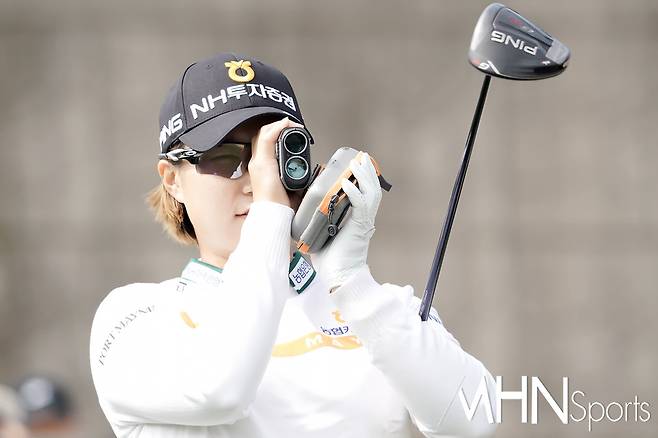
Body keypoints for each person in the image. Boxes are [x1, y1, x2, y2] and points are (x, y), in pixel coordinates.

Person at [89, 52, 498, 438]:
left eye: (274, 156)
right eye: (226, 159)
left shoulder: (381, 308)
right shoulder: (136, 317)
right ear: (172, 179)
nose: (256, 180)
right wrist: (270, 212)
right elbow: (220, 390)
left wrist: (353, 284)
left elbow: (475, 420)